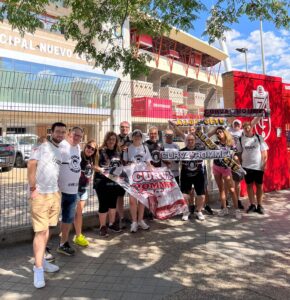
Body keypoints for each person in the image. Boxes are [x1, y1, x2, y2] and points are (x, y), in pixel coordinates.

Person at [27, 122, 66, 288]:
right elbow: (31, 164)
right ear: (52, 132)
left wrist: (57, 192)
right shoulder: (42, 144)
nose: (60, 134)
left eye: (63, 132)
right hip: (40, 194)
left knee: (48, 229)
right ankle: (38, 269)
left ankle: (42, 260)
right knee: (40, 231)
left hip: (54, 193)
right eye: (58, 131)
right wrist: (33, 188)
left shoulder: (59, 150)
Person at [57, 127, 83, 256]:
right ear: (69, 134)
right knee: (52, 220)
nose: (77, 138)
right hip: (60, 190)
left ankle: (63, 243)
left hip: (73, 190)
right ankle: (44, 247)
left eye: (80, 136)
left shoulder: (77, 148)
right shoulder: (62, 146)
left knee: (68, 218)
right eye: (75, 135)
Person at [94, 132, 123, 237]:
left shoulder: (118, 152)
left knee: (112, 204)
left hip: (114, 182)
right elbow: (94, 165)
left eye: (114, 139)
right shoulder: (100, 151)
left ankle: (111, 224)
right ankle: (102, 226)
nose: (111, 141)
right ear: (106, 139)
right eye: (109, 139)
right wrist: (101, 169)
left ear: (116, 141)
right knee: (103, 204)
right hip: (101, 182)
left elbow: (121, 166)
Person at [123, 129, 152, 233]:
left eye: (139, 135)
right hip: (131, 176)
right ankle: (134, 222)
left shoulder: (145, 147)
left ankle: (140, 220)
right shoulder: (128, 148)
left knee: (142, 199)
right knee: (132, 200)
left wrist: (149, 167)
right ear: (132, 137)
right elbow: (125, 162)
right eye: (135, 135)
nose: (137, 137)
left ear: (141, 137)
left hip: (143, 176)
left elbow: (148, 162)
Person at [237, 122, 268, 214]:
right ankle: (252, 205)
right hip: (246, 166)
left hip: (258, 166)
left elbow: (264, 152)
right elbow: (238, 153)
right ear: (243, 129)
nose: (247, 129)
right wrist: (240, 165)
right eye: (245, 128)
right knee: (249, 186)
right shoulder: (240, 139)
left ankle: (260, 205)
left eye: (248, 127)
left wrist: (264, 164)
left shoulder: (259, 137)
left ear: (252, 128)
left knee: (259, 186)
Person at [212, 127, 241, 219]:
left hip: (226, 168)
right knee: (221, 189)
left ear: (224, 132)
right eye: (217, 133)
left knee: (232, 190)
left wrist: (237, 161)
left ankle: (237, 210)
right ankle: (224, 209)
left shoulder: (231, 143)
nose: (218, 134)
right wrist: (215, 128)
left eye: (220, 132)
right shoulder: (215, 144)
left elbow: (235, 154)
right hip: (216, 167)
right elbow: (207, 138)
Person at [73, 140, 98, 247]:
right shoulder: (79, 156)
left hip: (84, 190)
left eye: (93, 149)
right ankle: (76, 235)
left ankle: (78, 235)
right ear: (85, 146)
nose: (90, 150)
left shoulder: (92, 159)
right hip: (74, 189)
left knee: (79, 214)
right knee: (74, 214)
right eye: (88, 147)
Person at [180, 134, 206, 221]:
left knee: (201, 195)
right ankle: (186, 211)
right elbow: (174, 159)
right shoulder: (181, 151)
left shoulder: (201, 150)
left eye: (192, 140)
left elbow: (212, 152)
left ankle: (198, 211)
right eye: (188, 140)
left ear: (195, 141)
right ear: (186, 141)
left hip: (198, 175)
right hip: (185, 175)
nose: (190, 141)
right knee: (184, 195)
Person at [117, 121, 131, 228]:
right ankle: (121, 217)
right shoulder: (115, 139)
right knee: (120, 196)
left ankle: (132, 217)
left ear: (129, 128)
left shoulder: (132, 139)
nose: (124, 129)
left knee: (133, 195)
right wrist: (120, 148)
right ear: (119, 128)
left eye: (126, 127)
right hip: (119, 171)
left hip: (131, 171)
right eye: (122, 127)